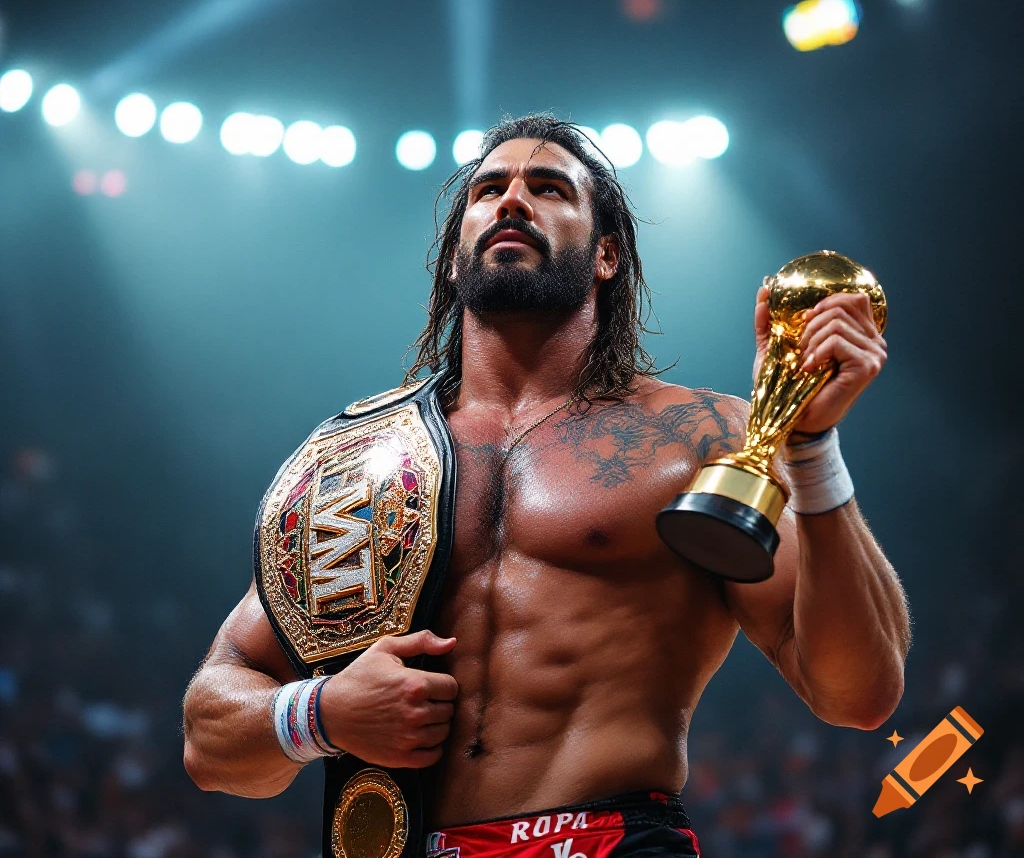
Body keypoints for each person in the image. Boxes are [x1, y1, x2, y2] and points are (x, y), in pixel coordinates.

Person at [183, 114, 910, 858]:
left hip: (609, 840)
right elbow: (211, 736)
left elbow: (856, 694)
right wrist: (324, 712)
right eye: (489, 188)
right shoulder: (358, 463)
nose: (511, 201)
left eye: (549, 187)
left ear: (605, 256)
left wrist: (810, 450)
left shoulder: (702, 436)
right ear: (452, 258)